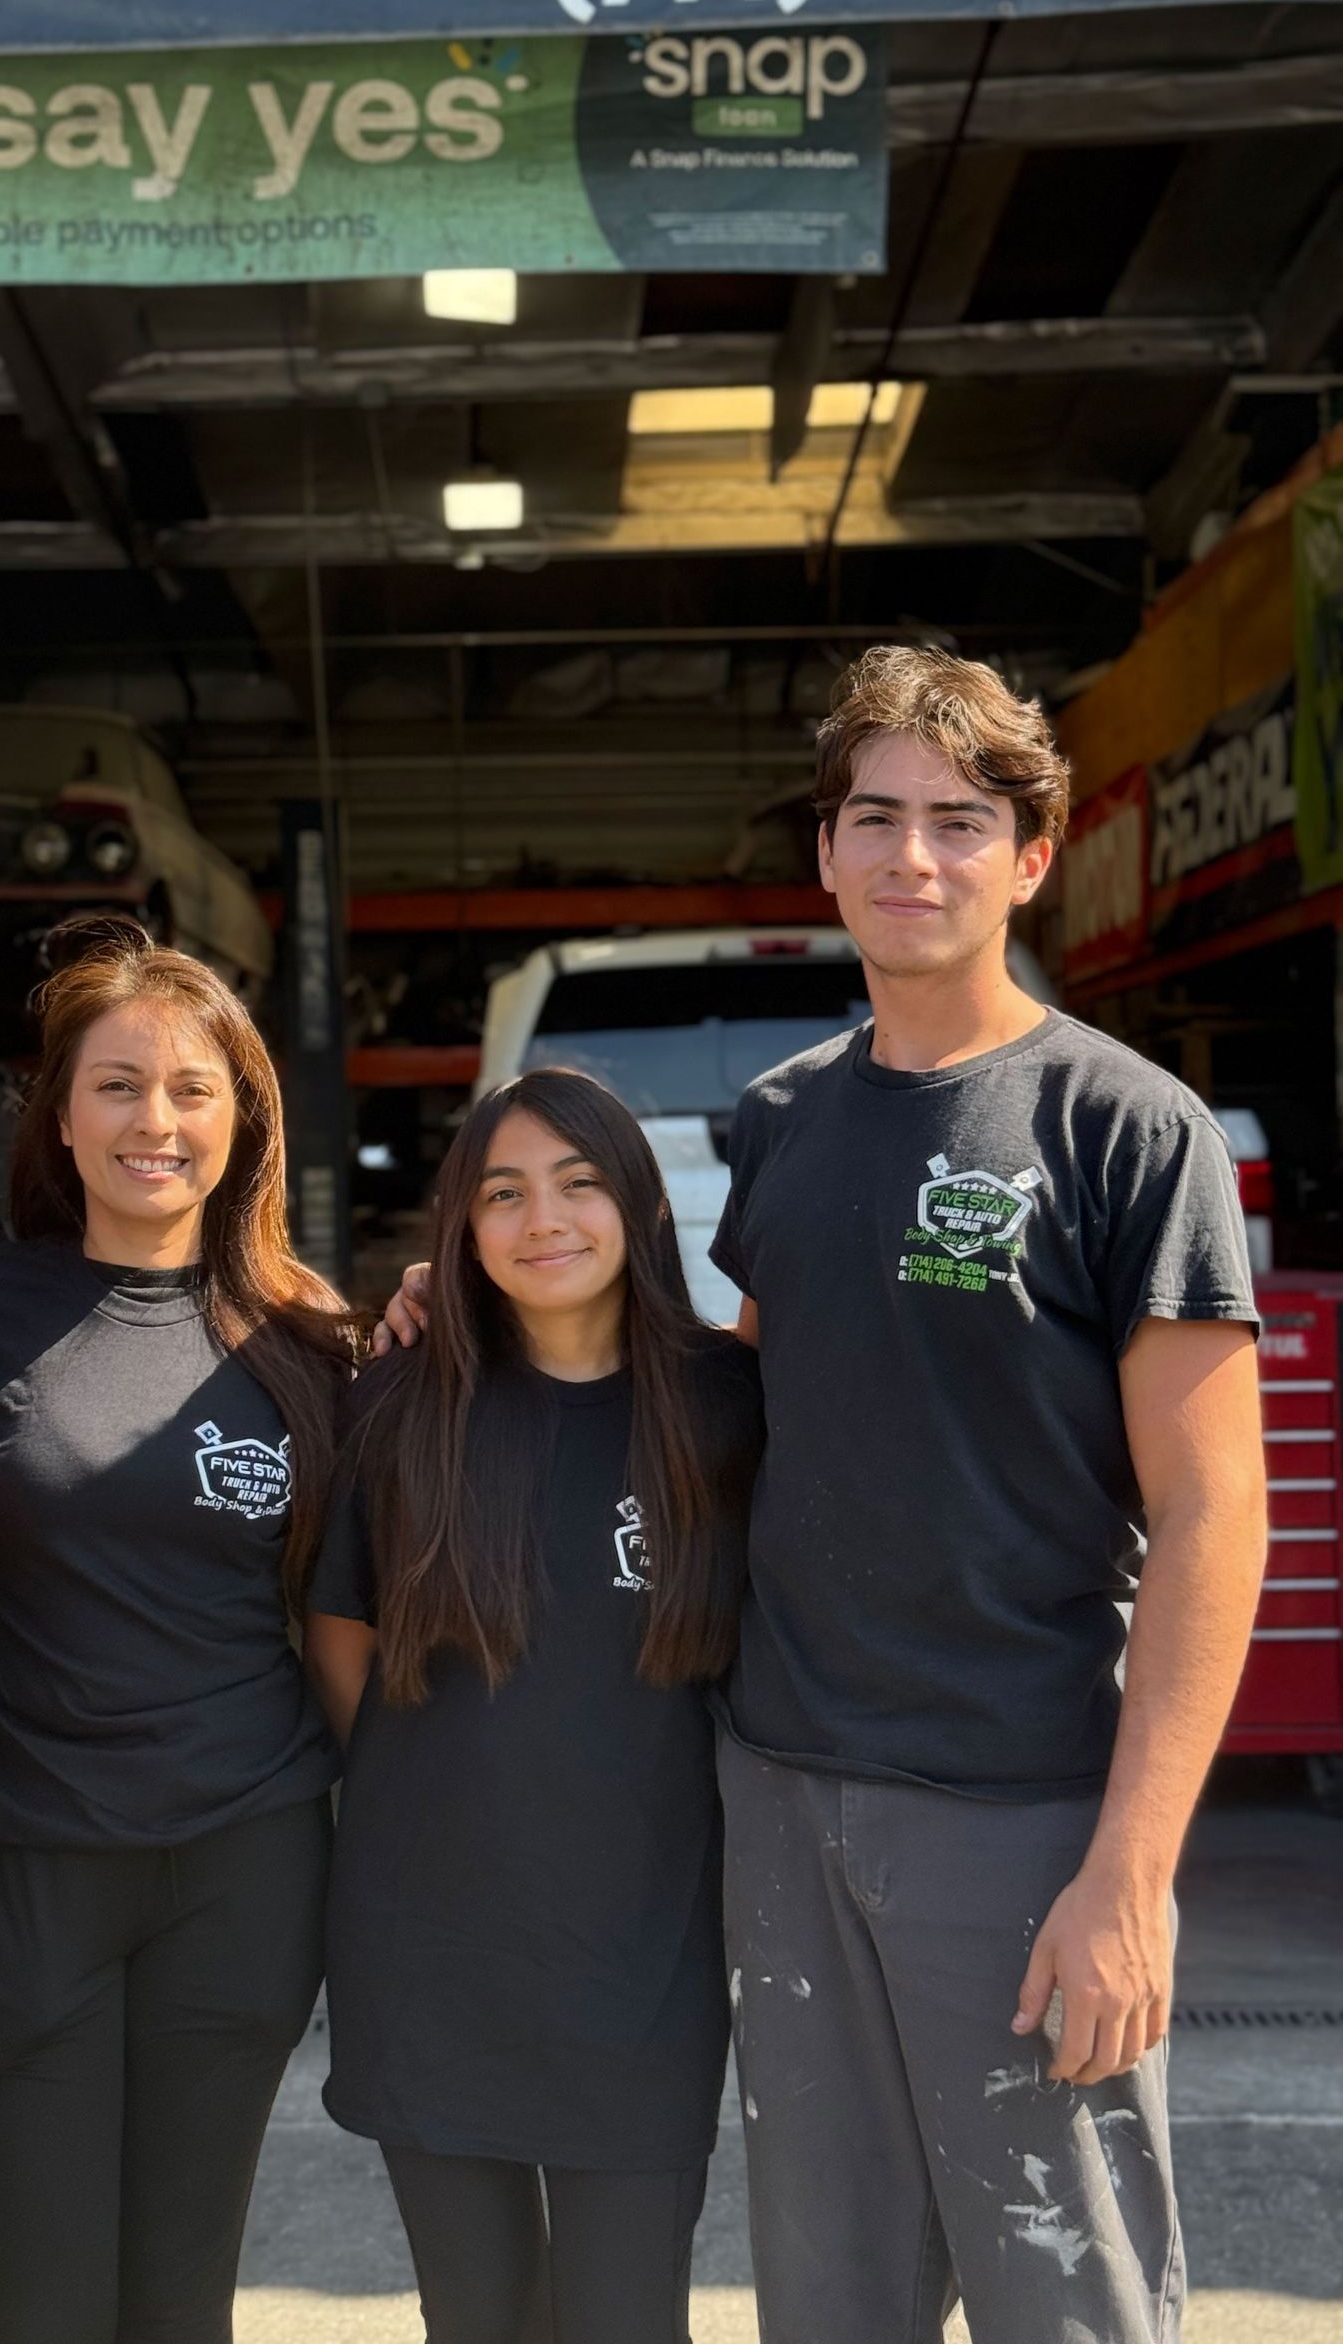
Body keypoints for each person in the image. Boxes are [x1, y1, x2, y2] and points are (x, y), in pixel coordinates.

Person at [381, 647, 1268, 2343]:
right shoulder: (786, 1121)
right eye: (877, 818)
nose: (911, 856)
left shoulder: (1125, 1129)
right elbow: (728, 1406)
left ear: (1028, 859)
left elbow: (1220, 1517)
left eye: (957, 822)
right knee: (830, 2303)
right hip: (784, 1797)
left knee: (1061, 2295)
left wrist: (1131, 1874)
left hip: (1018, 1811)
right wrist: (466, 1319)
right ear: (830, 852)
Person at [0, 915, 357, 2344]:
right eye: (115, 1084)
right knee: (40, 2309)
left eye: (190, 1089)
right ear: (58, 1112)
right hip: (25, 1876)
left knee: (182, 2307)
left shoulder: (309, 1343)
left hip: (242, 1874)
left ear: (243, 1121)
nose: (153, 1122)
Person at [310, 1066, 762, 2344]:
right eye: (502, 1192)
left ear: (638, 1204)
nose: (542, 1219)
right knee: (479, 2316)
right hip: (434, 1955)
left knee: (629, 2318)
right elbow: (340, 1641)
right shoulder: (400, 1405)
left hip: (644, 1963)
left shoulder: (724, 1412)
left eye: (577, 1182)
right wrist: (444, 1788)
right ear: (461, 1224)